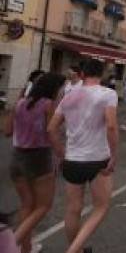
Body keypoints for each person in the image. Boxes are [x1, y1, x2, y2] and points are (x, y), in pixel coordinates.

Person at [47, 59, 118, 253]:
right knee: (101, 207)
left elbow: (51, 128)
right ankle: (73, 250)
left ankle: (76, 249)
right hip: (97, 158)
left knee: (72, 209)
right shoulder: (108, 94)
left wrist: (61, 154)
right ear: (102, 74)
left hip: (72, 159)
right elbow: (111, 126)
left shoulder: (68, 97)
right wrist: (113, 155)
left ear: (82, 75)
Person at [4, 72, 66, 253]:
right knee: (43, 206)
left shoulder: (20, 103)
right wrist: (62, 156)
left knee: (27, 205)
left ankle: (26, 248)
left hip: (17, 158)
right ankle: (11, 243)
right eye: (61, 88)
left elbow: (7, 131)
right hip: (39, 158)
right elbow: (51, 133)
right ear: (53, 89)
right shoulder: (48, 105)